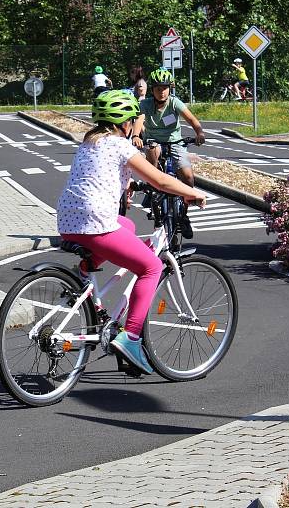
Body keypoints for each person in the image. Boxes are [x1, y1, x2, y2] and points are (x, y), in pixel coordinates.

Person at [57, 89, 206, 374]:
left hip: (68, 222)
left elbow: (101, 176)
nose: (135, 125)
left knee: (127, 225)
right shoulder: (122, 146)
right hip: (96, 224)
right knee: (151, 266)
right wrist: (192, 193)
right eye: (133, 120)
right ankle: (132, 338)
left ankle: (85, 271)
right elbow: (161, 180)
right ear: (125, 123)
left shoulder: (89, 143)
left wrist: (128, 186)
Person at [131, 68, 205, 238]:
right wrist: (136, 136)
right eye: (158, 88)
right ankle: (153, 186)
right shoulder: (146, 104)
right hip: (153, 142)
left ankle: (184, 215)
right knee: (154, 154)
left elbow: (192, 119)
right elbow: (139, 120)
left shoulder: (174, 102)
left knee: (188, 178)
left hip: (176, 142)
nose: (162, 92)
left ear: (169, 88)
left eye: (165, 88)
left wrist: (199, 133)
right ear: (152, 90)